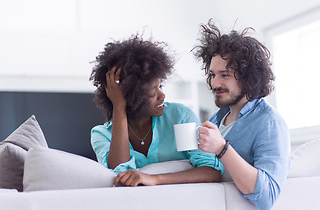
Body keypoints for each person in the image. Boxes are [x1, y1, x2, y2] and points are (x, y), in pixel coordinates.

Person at [89, 34, 222, 187]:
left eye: (161, 86)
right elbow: (119, 173)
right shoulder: (101, 135)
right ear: (130, 96)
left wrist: (155, 179)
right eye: (153, 91)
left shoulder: (179, 117)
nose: (162, 95)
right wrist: (119, 107)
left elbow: (210, 172)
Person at [193, 20, 290, 210]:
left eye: (225, 75)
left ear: (248, 77)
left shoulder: (269, 123)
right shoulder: (216, 119)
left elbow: (267, 197)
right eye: (213, 75)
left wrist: (222, 148)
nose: (215, 84)